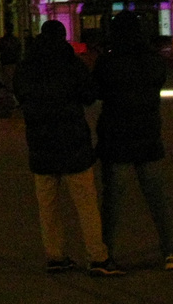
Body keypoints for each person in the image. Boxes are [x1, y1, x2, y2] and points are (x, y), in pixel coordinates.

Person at [14, 20, 122, 276]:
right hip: (73, 143)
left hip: (40, 144)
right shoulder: (71, 64)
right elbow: (89, 95)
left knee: (48, 205)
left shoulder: (26, 67)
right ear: (62, 37)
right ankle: (97, 257)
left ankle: (55, 256)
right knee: (86, 203)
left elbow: (20, 95)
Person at [93, 12, 173, 271]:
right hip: (147, 135)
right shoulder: (153, 61)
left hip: (116, 137)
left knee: (112, 201)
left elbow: (95, 91)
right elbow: (158, 81)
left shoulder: (108, 61)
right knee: (157, 198)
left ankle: (106, 253)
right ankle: (171, 252)